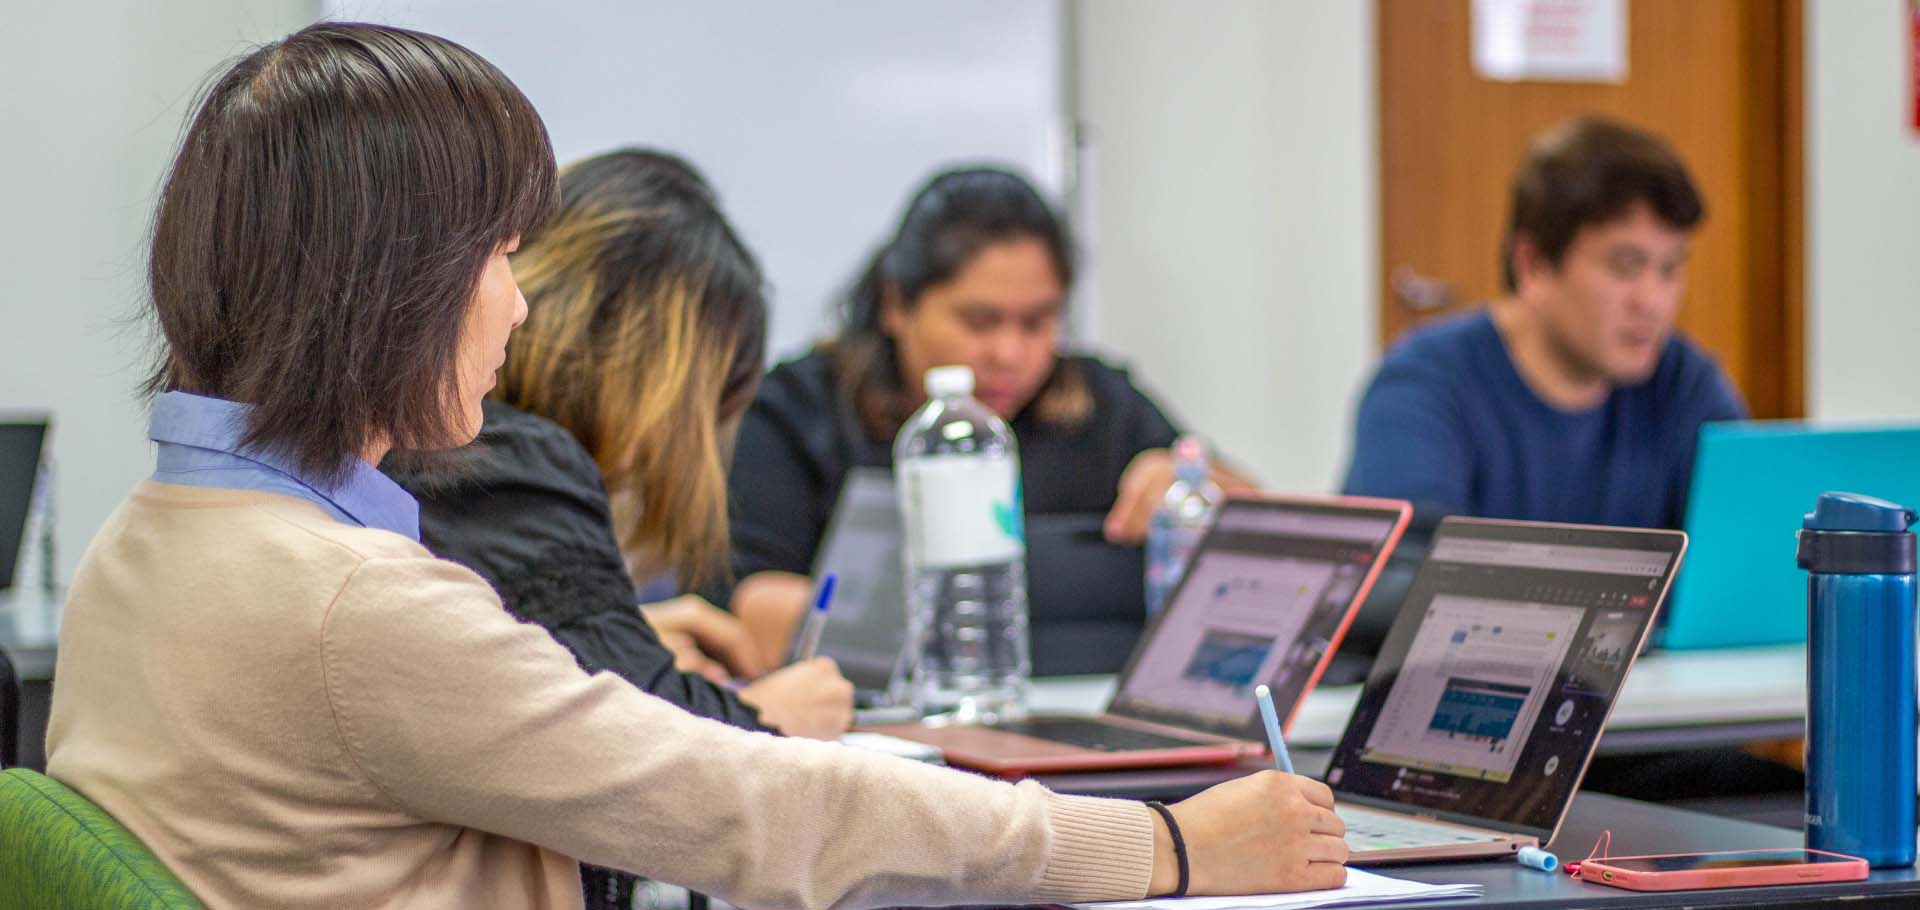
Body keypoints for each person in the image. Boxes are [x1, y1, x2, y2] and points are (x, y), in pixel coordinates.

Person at [45, 23, 1346, 909]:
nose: (520, 307)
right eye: (503, 258)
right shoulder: (356, 606)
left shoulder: (155, 531)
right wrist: (1170, 842)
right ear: (400, 285)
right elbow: (767, 811)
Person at [381, 148, 854, 909]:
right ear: (659, 369)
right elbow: (662, 773)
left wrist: (621, 630)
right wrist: (772, 717)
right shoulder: (508, 463)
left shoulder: (448, 453)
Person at [721, 166, 1251, 669]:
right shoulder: (798, 408)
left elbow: (1271, 530)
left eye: (1037, 322)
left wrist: (1191, 487)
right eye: (979, 321)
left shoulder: (1096, 398)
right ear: (896, 306)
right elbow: (754, 607)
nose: (1009, 353)